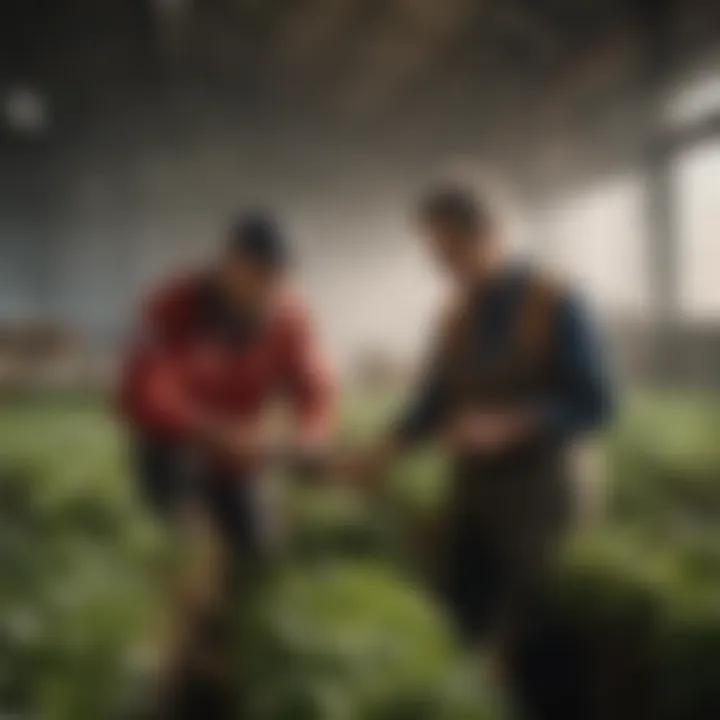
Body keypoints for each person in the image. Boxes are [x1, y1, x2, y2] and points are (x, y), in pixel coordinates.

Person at [352, 185, 613, 666]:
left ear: (491, 234)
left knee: (542, 643)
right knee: (457, 621)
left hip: (542, 503)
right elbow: (433, 400)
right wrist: (386, 448)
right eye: (434, 253)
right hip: (474, 496)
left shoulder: (554, 300)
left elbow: (596, 402)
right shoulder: (456, 316)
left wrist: (512, 424)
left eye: (452, 250)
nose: (442, 265)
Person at [117, 212, 335, 717]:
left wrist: (308, 434)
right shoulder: (172, 304)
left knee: (258, 555)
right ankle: (177, 661)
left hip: (241, 458)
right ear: (230, 262)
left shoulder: (289, 315)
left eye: (279, 277)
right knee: (177, 547)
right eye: (261, 273)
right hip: (174, 449)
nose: (269, 287)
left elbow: (315, 387)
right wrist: (208, 430)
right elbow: (145, 390)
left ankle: (233, 658)